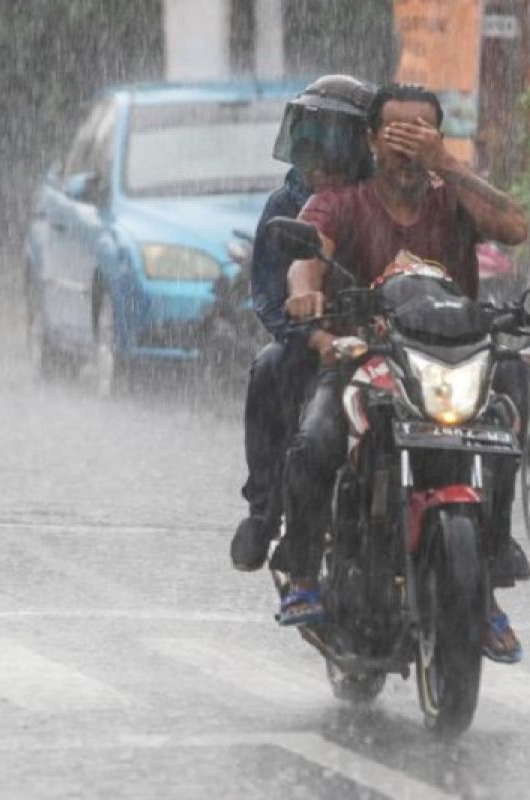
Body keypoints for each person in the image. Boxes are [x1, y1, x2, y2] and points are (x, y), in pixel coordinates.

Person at [278, 83, 530, 664]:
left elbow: (515, 226)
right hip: (363, 361)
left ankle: (487, 573)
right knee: (317, 435)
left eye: (423, 131)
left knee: (509, 405)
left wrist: (448, 165)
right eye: (396, 131)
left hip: (450, 365)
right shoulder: (342, 203)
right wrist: (305, 295)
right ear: (370, 141)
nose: (408, 143)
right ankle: (302, 577)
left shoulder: (454, 200)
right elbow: (306, 259)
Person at [230, 75, 377, 571]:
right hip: (313, 344)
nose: (316, 160)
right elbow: (271, 299)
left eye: (331, 141)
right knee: (268, 367)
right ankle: (264, 513)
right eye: (308, 140)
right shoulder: (283, 205)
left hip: (388, 344)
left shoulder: (385, 201)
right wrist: (313, 336)